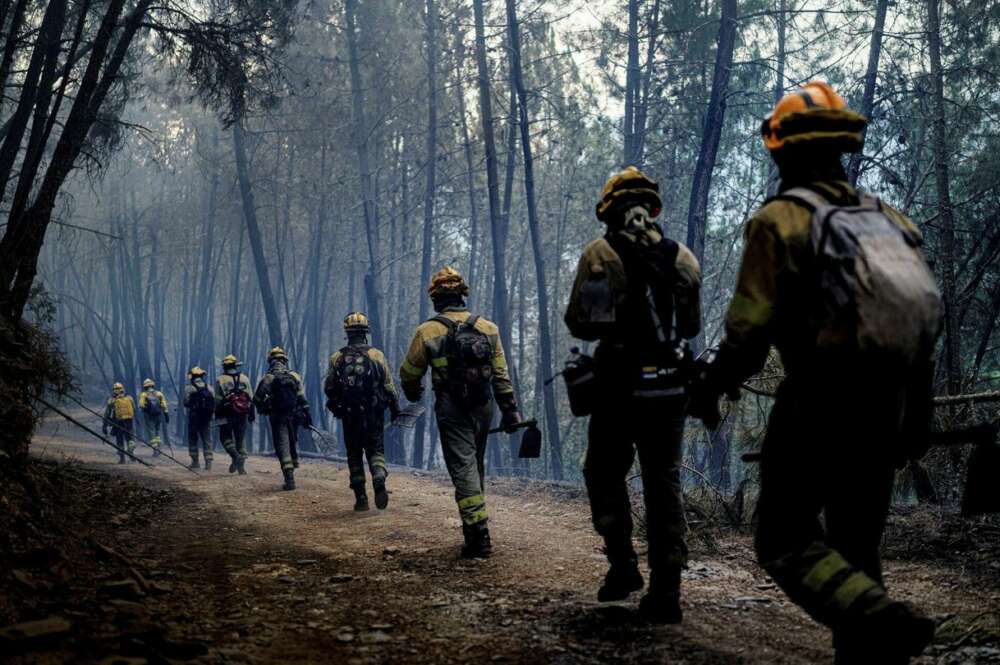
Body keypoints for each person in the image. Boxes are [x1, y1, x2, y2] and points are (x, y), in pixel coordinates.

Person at [689, 81, 939, 663]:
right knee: (856, 548)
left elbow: (747, 335)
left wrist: (711, 385)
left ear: (782, 150)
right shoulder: (891, 219)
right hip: (889, 407)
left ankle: (883, 618)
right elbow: (922, 325)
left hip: (818, 404)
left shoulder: (781, 220)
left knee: (784, 539)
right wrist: (915, 416)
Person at [564, 166, 701, 623]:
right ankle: (668, 593)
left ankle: (623, 566)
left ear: (610, 210)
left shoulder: (601, 255)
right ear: (651, 208)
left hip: (620, 389)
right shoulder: (683, 258)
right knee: (664, 484)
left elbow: (584, 323)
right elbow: (693, 327)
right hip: (671, 388)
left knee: (603, 473)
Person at [399, 266, 522, 558]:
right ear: (462, 295)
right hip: (484, 405)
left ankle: (479, 536)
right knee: (474, 463)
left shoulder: (427, 331)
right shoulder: (488, 328)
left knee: (463, 467)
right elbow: (501, 375)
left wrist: (413, 393)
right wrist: (510, 411)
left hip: (451, 407)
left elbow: (409, 373)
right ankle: (474, 526)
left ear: (435, 299)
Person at [325, 312, 400, 511]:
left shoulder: (337, 357)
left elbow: (329, 388)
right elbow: (389, 386)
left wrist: (337, 406)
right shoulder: (377, 355)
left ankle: (361, 499)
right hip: (373, 414)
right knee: (376, 450)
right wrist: (395, 409)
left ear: (347, 333)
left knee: (354, 454)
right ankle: (378, 474)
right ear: (366, 332)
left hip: (350, 415)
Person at [254, 347, 311, 491]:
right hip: (294, 416)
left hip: (277, 416)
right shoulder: (295, 376)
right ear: (285, 360)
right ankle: (294, 464)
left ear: (270, 361)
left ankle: (289, 479)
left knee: (282, 445)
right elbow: (302, 398)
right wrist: (306, 414)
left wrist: (263, 408)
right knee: (292, 442)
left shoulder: (268, 378)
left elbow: (257, 398)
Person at [215, 354, 255, 475]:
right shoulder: (245, 378)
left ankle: (236, 457)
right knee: (240, 439)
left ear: (224, 367)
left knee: (225, 437)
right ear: (235, 366)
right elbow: (250, 397)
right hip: (242, 414)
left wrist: (216, 413)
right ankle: (241, 468)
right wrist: (251, 412)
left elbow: (217, 399)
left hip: (225, 413)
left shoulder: (221, 380)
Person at [183, 366, 216, 470]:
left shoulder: (189, 388)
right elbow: (214, 403)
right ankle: (208, 462)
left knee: (193, 439)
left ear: (192, 376)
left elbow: (186, 403)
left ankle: (195, 462)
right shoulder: (209, 387)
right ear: (202, 376)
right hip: (206, 418)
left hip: (194, 418)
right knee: (207, 439)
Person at [103, 382, 137, 464]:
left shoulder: (112, 400)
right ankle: (131, 453)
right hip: (129, 421)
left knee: (119, 439)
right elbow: (134, 410)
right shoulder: (129, 398)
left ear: (114, 390)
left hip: (118, 422)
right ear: (123, 389)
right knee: (130, 438)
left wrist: (105, 424)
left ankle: (122, 459)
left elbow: (107, 413)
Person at [138, 378, 169, 457]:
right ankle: (159, 448)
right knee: (157, 431)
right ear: (152, 385)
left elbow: (141, 405)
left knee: (151, 432)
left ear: (145, 387)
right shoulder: (159, 394)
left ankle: (155, 450)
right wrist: (166, 414)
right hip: (158, 415)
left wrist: (146, 409)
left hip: (149, 416)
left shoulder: (144, 394)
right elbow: (164, 405)